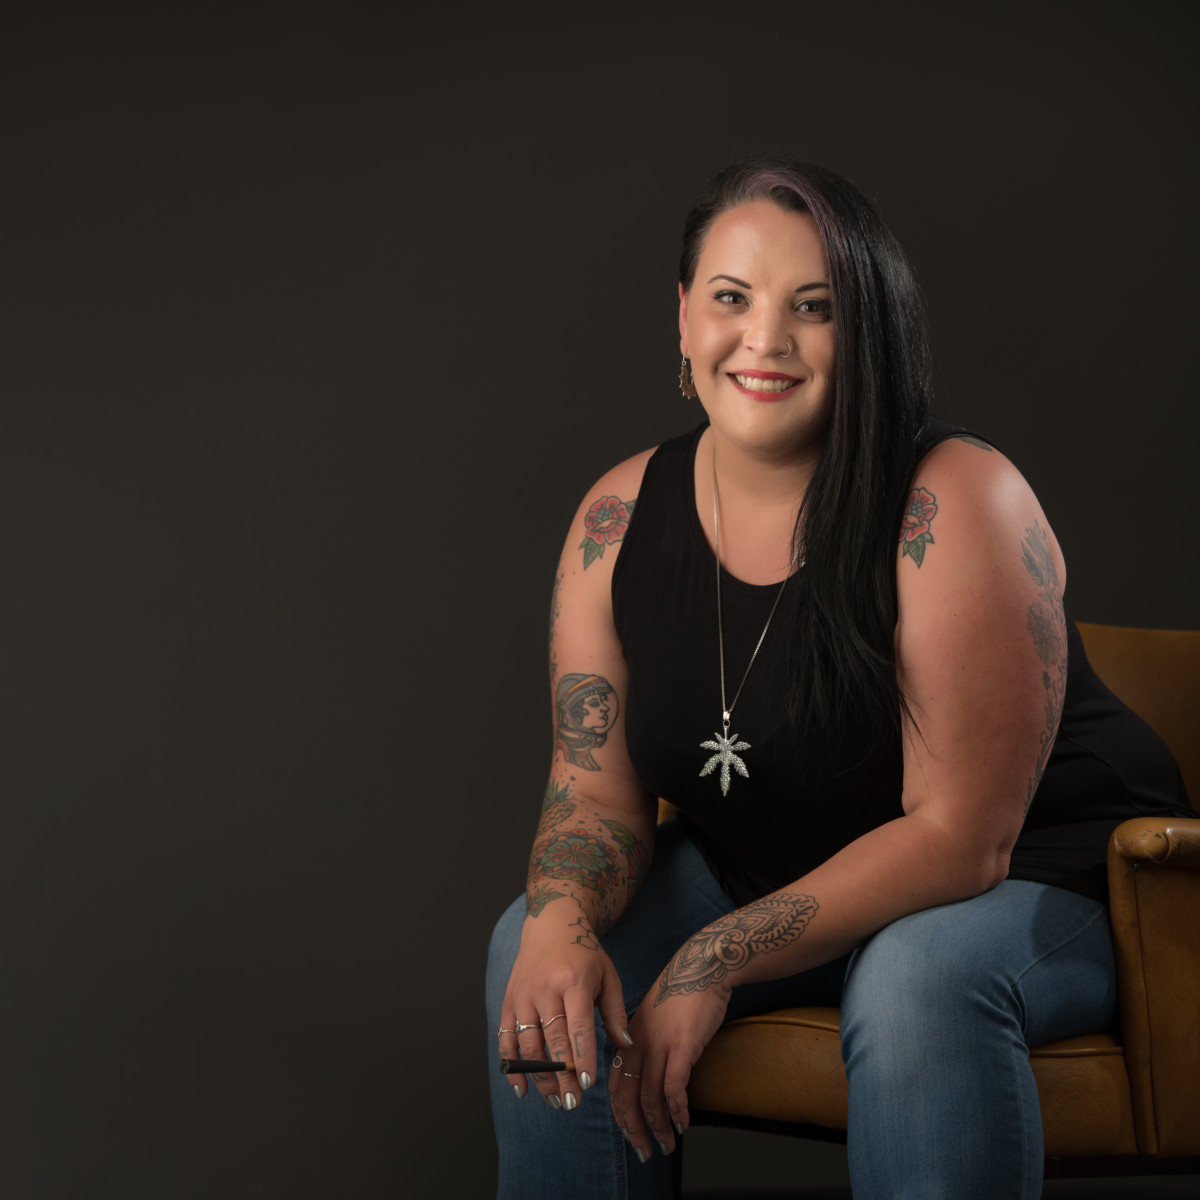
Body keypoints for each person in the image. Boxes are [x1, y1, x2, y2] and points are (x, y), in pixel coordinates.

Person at [485, 159, 1190, 1200]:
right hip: (771, 869)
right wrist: (557, 918)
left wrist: (714, 956)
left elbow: (962, 838)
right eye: (731, 298)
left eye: (813, 309)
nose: (764, 339)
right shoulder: (617, 518)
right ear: (683, 319)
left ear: (867, 332)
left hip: (1051, 879)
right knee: (530, 943)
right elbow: (594, 786)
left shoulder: (955, 502)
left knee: (915, 982)